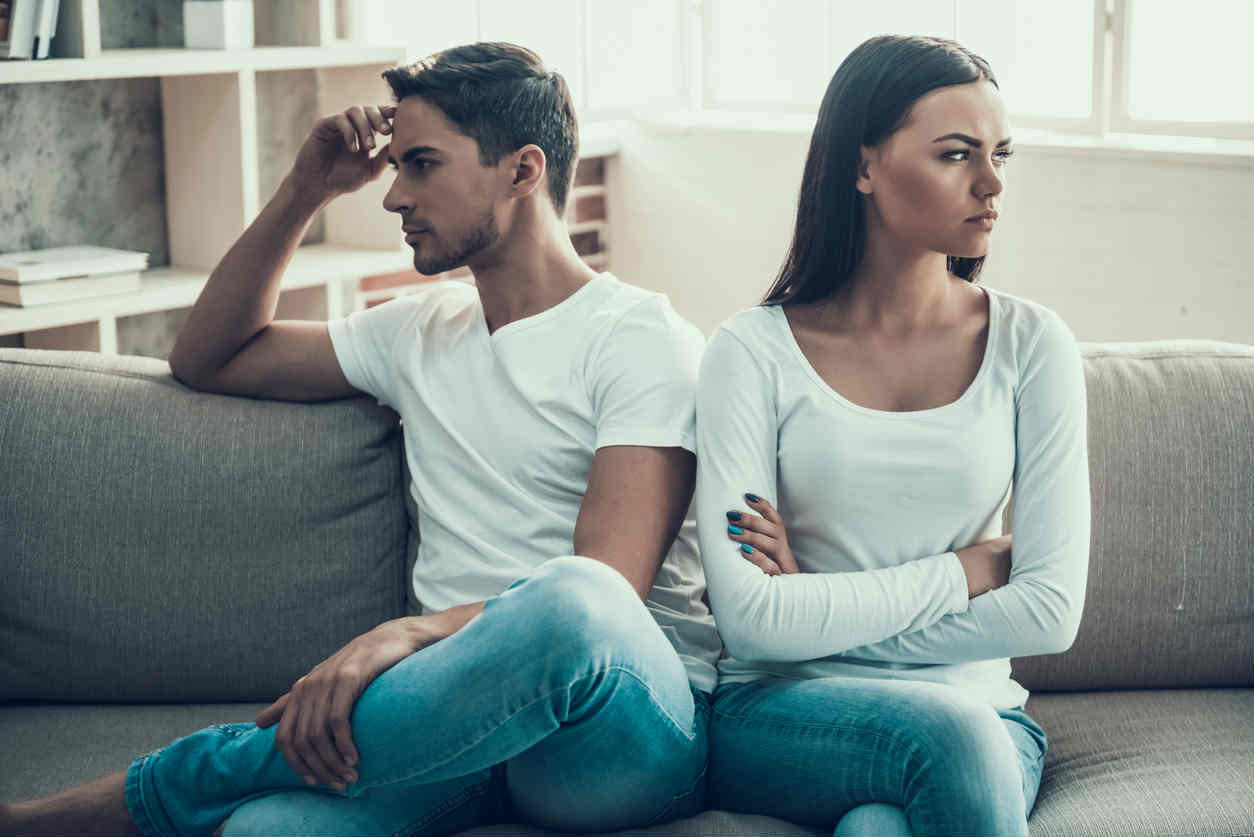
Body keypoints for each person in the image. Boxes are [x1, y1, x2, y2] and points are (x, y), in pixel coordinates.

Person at [2, 42, 720, 837]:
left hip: (616, 729)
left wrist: (404, 632)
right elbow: (207, 355)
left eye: (421, 165)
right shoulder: (420, 330)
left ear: (522, 171)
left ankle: (129, 798)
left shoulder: (642, 338)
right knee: (262, 831)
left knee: (571, 598)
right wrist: (305, 188)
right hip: (454, 730)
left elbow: (607, 589)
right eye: (395, 169)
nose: (393, 197)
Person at [695, 35, 1090, 837]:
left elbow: (1048, 612)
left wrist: (817, 605)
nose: (992, 184)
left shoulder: (1034, 344)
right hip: (783, 711)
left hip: (979, 708)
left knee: (878, 827)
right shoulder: (749, 352)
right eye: (956, 154)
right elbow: (752, 626)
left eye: (1000, 154)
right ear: (864, 165)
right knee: (949, 738)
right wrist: (963, 570)